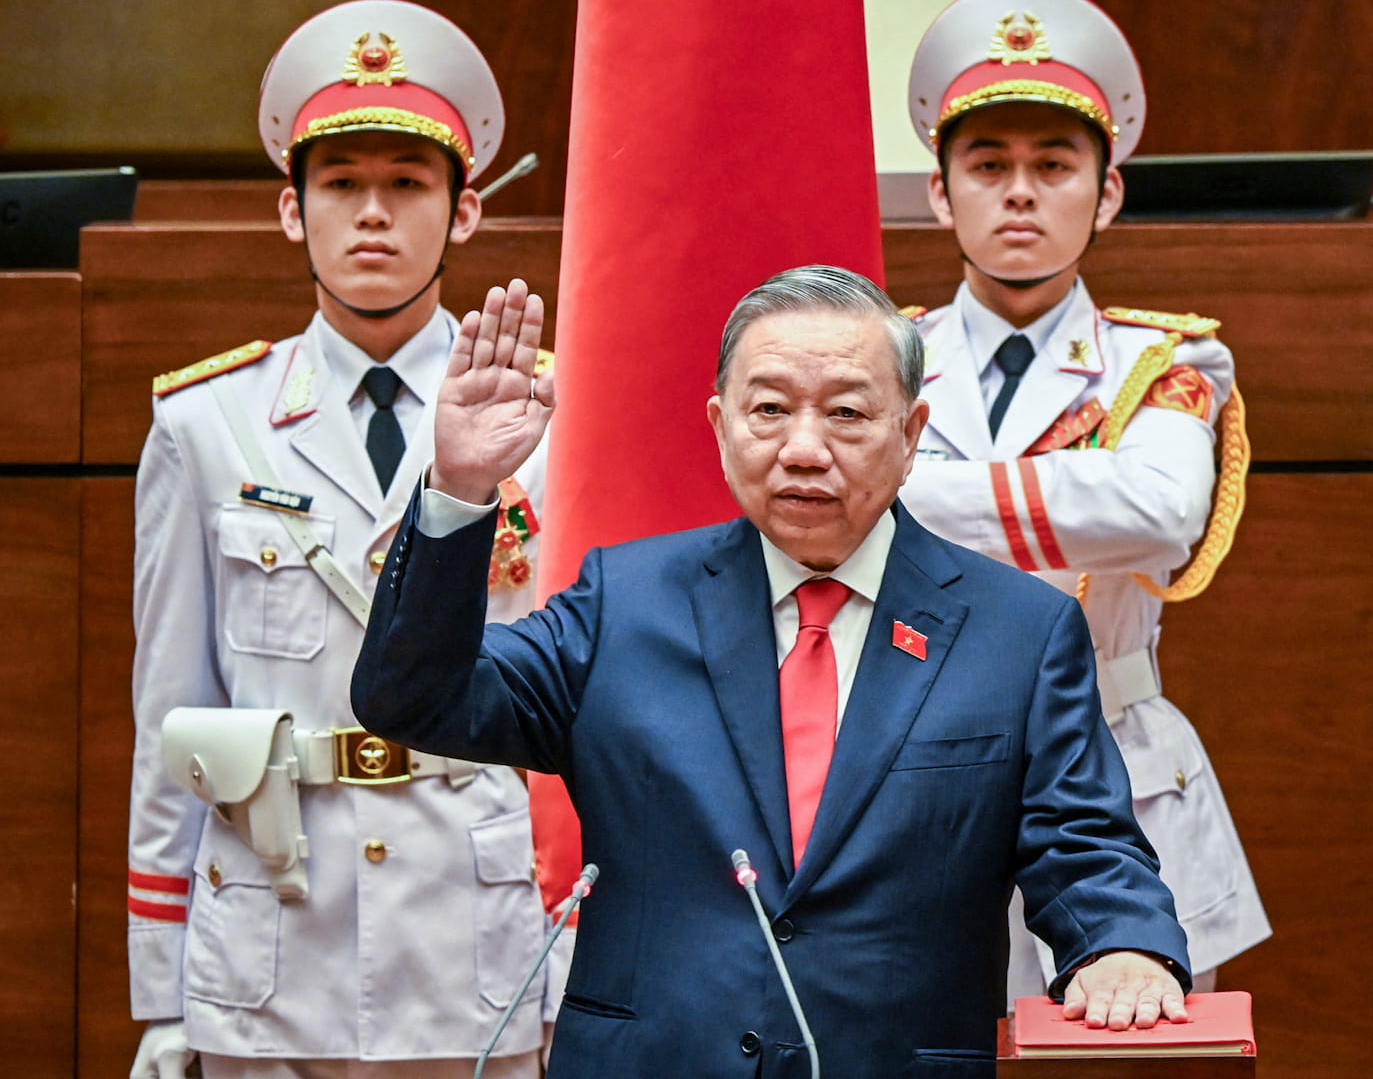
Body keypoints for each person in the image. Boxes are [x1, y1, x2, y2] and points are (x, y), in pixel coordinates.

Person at [351, 265, 1194, 1077]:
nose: (803, 449)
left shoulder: (1020, 629)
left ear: (911, 434)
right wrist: (460, 488)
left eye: (847, 414)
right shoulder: (626, 603)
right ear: (720, 426)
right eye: (769, 410)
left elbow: (1083, 843)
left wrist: (1123, 946)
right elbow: (416, 699)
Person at [126, 3, 559, 1077]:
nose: (374, 214)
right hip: (271, 938)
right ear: (292, 208)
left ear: (463, 215)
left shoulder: (551, 421)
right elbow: (169, 716)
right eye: (342, 184)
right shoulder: (206, 424)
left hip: (477, 930)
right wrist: (159, 992)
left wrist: (577, 944)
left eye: (409, 184)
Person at [895, 0, 1269, 1001]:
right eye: (988, 167)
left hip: (1122, 770)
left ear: (1106, 195)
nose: (1021, 194)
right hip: (911, 771)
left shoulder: (1168, 358)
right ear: (940, 192)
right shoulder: (878, 356)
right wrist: (1069, 497)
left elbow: (1154, 512)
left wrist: (902, 492)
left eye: (1054, 166)